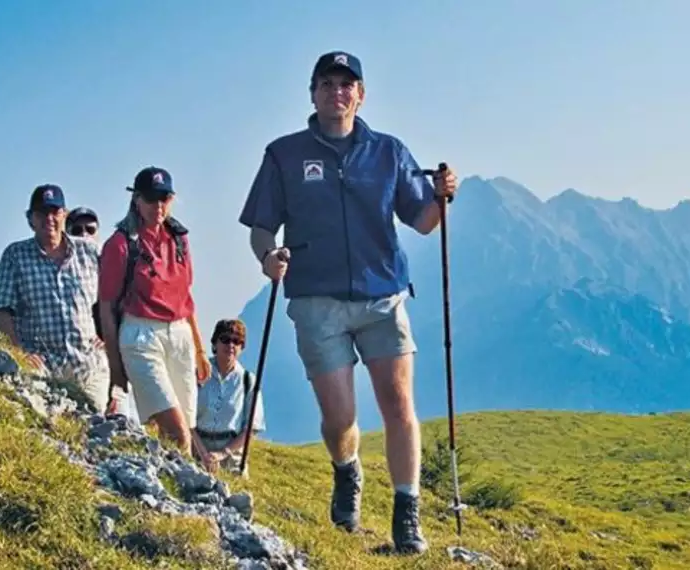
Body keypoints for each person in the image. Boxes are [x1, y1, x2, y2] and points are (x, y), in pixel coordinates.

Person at [238, 51, 458, 554]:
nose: (337, 92)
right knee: (340, 419)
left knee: (400, 404)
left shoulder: (389, 152)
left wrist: (442, 198)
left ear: (361, 95)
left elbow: (422, 221)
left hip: (384, 295)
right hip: (317, 300)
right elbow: (261, 227)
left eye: (347, 84)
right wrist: (268, 257)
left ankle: (407, 515)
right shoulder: (283, 154)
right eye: (327, 83)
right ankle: (346, 470)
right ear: (312, 93)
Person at [97, 166, 211, 454]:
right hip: (140, 335)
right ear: (136, 199)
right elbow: (107, 307)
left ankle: (171, 488)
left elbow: (186, 296)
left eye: (164, 198)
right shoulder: (120, 245)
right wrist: (115, 366)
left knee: (184, 426)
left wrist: (199, 350)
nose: (158, 206)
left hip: (180, 333)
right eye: (151, 198)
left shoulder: (179, 239)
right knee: (177, 431)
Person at [0, 184, 110, 412]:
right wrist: (19, 351)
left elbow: (114, 295)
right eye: (42, 213)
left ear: (64, 214)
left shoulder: (90, 251)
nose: (49, 219)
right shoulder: (15, 255)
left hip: (89, 364)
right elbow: (2, 309)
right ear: (30, 219)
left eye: (55, 212)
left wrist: (106, 336)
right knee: (52, 431)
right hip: (41, 366)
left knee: (94, 430)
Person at [192, 318, 266, 477]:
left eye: (237, 341)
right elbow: (186, 417)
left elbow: (251, 428)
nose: (231, 345)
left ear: (242, 347)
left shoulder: (248, 381)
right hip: (195, 447)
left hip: (231, 455)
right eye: (225, 339)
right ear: (214, 344)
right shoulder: (197, 373)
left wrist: (221, 454)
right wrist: (203, 453)